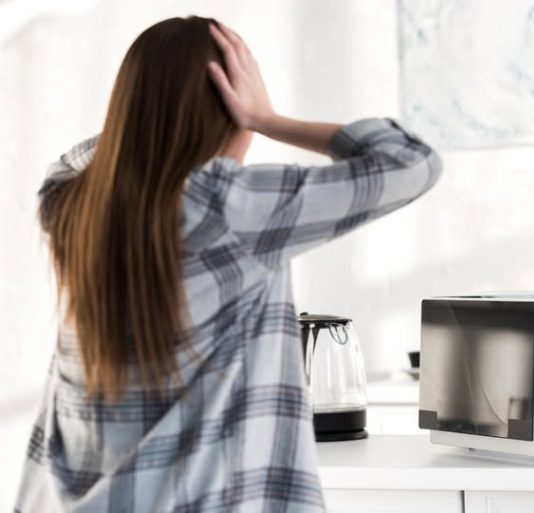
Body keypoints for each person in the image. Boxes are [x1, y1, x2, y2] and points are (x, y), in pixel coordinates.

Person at [15, 15, 441, 513]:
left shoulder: (70, 205)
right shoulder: (227, 208)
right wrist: (268, 118)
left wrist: (145, 119)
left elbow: (77, 162)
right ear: (228, 108)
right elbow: (412, 161)